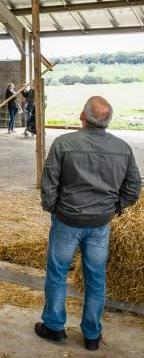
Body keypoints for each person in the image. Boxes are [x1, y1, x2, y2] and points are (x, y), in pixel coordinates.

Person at [36, 96, 142, 351]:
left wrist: (53, 208)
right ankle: (92, 335)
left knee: (58, 272)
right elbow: (133, 188)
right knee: (96, 278)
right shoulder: (123, 148)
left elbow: (48, 182)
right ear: (108, 121)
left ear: (82, 117)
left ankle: (54, 326)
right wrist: (115, 208)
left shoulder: (63, 144)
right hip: (99, 224)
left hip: (67, 221)